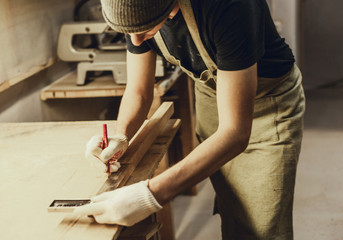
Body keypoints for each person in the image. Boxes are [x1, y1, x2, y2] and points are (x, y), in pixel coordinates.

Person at [76, 0, 306, 239]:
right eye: (127, 32)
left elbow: (236, 133)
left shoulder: (231, 7)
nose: (135, 41)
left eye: (145, 28)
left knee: (263, 223)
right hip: (211, 98)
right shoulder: (134, 12)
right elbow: (139, 90)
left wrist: (151, 195)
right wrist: (121, 136)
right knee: (235, 207)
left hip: (268, 105)